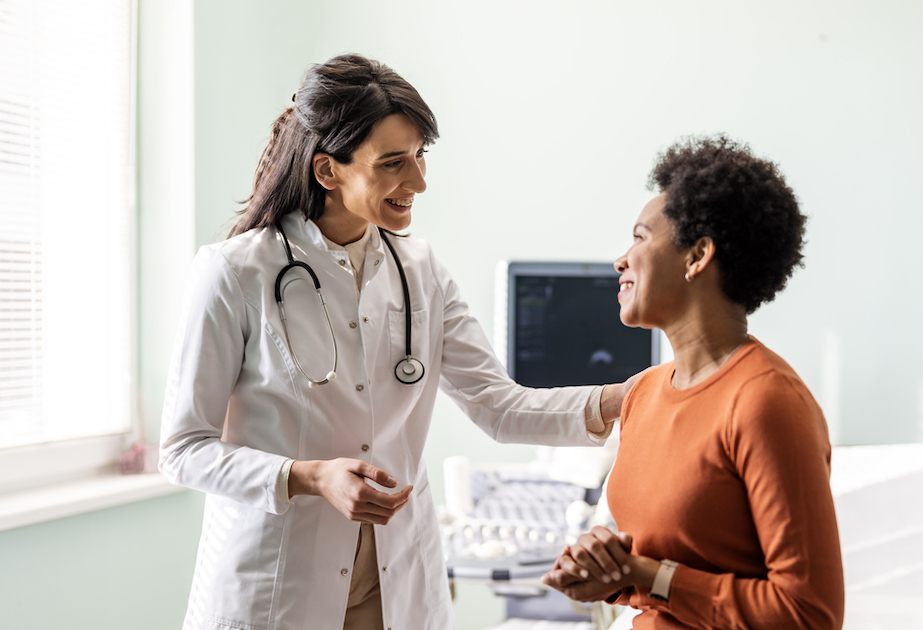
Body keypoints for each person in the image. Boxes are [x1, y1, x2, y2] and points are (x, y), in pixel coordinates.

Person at [158, 54, 631, 630]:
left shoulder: (420, 270)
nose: (419, 182)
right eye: (393, 163)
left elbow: (499, 406)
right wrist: (309, 477)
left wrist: (630, 398)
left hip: (395, 581)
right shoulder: (236, 272)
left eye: (420, 156)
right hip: (280, 583)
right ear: (327, 170)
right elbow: (183, 448)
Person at [542, 135, 845, 629]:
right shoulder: (643, 394)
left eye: (640, 238)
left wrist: (650, 575)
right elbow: (669, 557)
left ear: (697, 256)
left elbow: (810, 613)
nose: (621, 260)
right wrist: (610, 571)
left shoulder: (766, 401)